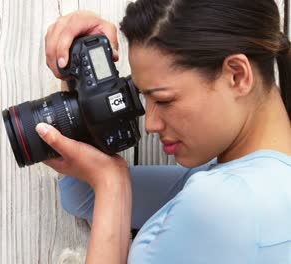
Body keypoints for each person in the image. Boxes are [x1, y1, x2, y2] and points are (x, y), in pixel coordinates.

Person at [35, 0, 291, 263]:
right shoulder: (253, 182)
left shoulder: (223, 204)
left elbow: (105, 192)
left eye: (164, 100)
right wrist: (79, 71)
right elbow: (86, 195)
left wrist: (113, 183)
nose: (150, 124)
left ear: (237, 75)